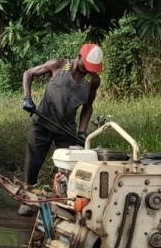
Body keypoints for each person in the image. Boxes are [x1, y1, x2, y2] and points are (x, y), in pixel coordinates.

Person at [18, 43, 103, 216]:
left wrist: (82, 131)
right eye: (86, 65)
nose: (88, 70)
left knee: (69, 169)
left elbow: (88, 107)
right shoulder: (58, 65)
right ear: (79, 57)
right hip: (42, 122)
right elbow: (28, 73)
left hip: (66, 129)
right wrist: (27, 98)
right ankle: (27, 200)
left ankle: (64, 205)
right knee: (33, 162)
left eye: (91, 68)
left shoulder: (92, 81)